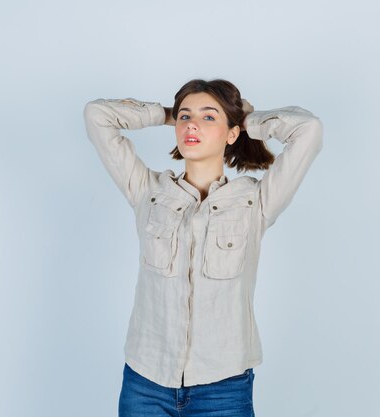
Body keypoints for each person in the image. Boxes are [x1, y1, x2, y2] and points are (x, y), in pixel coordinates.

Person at [83, 79, 323, 417]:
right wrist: (166, 114)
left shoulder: (255, 201)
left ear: (232, 133)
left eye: (209, 117)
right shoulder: (148, 191)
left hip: (223, 388)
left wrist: (247, 120)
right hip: (145, 384)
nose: (192, 124)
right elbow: (97, 115)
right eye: (185, 117)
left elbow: (308, 129)